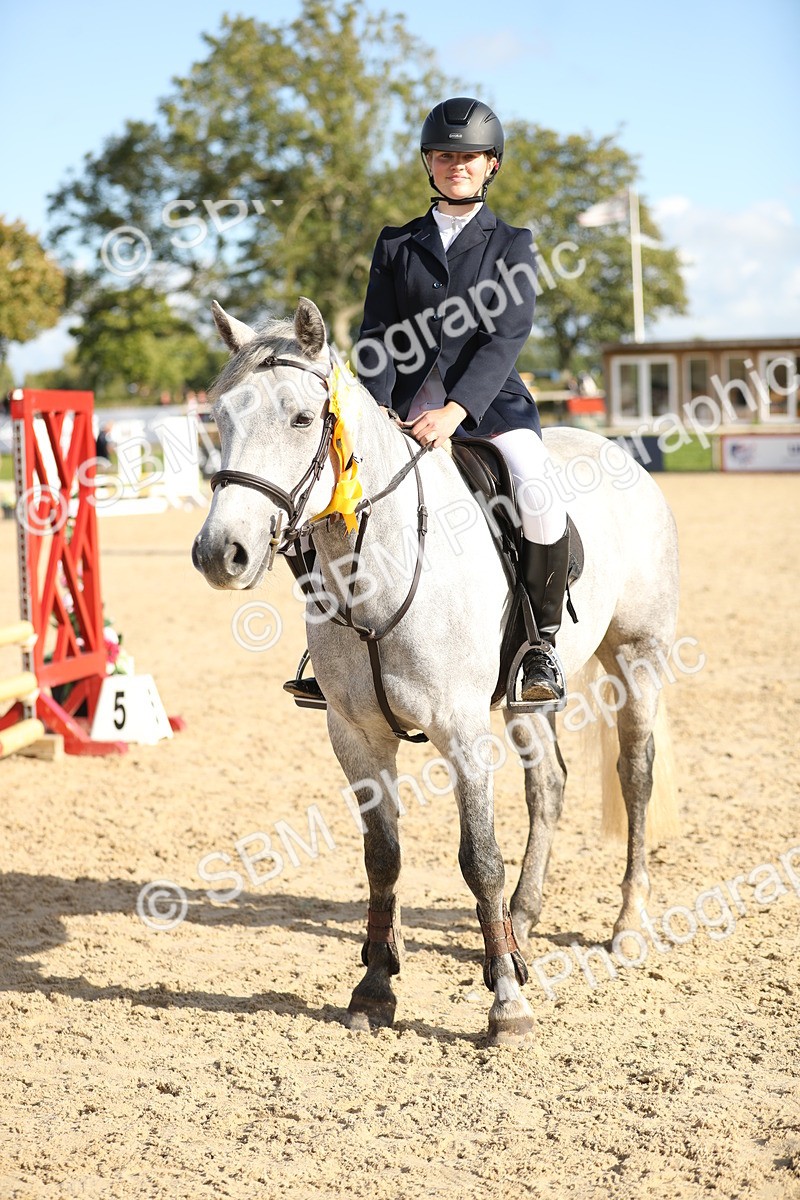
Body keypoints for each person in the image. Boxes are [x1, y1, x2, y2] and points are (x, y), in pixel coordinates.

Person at [285, 97, 570, 706]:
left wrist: (457, 411)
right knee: (319, 498)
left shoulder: (512, 244)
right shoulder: (396, 245)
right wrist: (381, 408)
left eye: (469, 157)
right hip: (400, 410)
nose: (456, 165)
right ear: (429, 163)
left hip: (489, 410)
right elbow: (377, 337)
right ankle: (328, 647)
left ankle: (540, 645)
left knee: (536, 487)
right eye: (445, 155)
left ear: (491, 165)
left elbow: (505, 337)